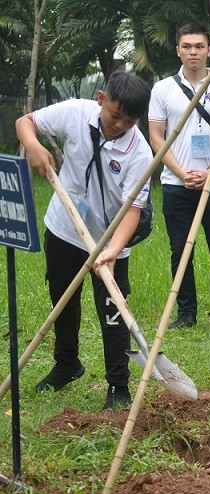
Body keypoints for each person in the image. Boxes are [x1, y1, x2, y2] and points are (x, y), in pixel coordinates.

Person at [16, 71, 153, 410]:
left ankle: (118, 386)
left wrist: (112, 250)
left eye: (129, 120)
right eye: (114, 115)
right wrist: (33, 145)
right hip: (64, 225)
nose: (119, 124)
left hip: (110, 236)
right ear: (101, 99)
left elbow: (133, 209)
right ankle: (67, 364)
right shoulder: (77, 112)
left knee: (112, 310)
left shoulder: (140, 154)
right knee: (62, 298)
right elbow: (26, 121)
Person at [149, 22, 210, 329]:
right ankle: (186, 313)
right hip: (176, 184)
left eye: (199, 46)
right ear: (178, 50)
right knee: (180, 250)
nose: (193, 52)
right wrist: (182, 172)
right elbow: (156, 137)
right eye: (187, 46)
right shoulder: (162, 89)